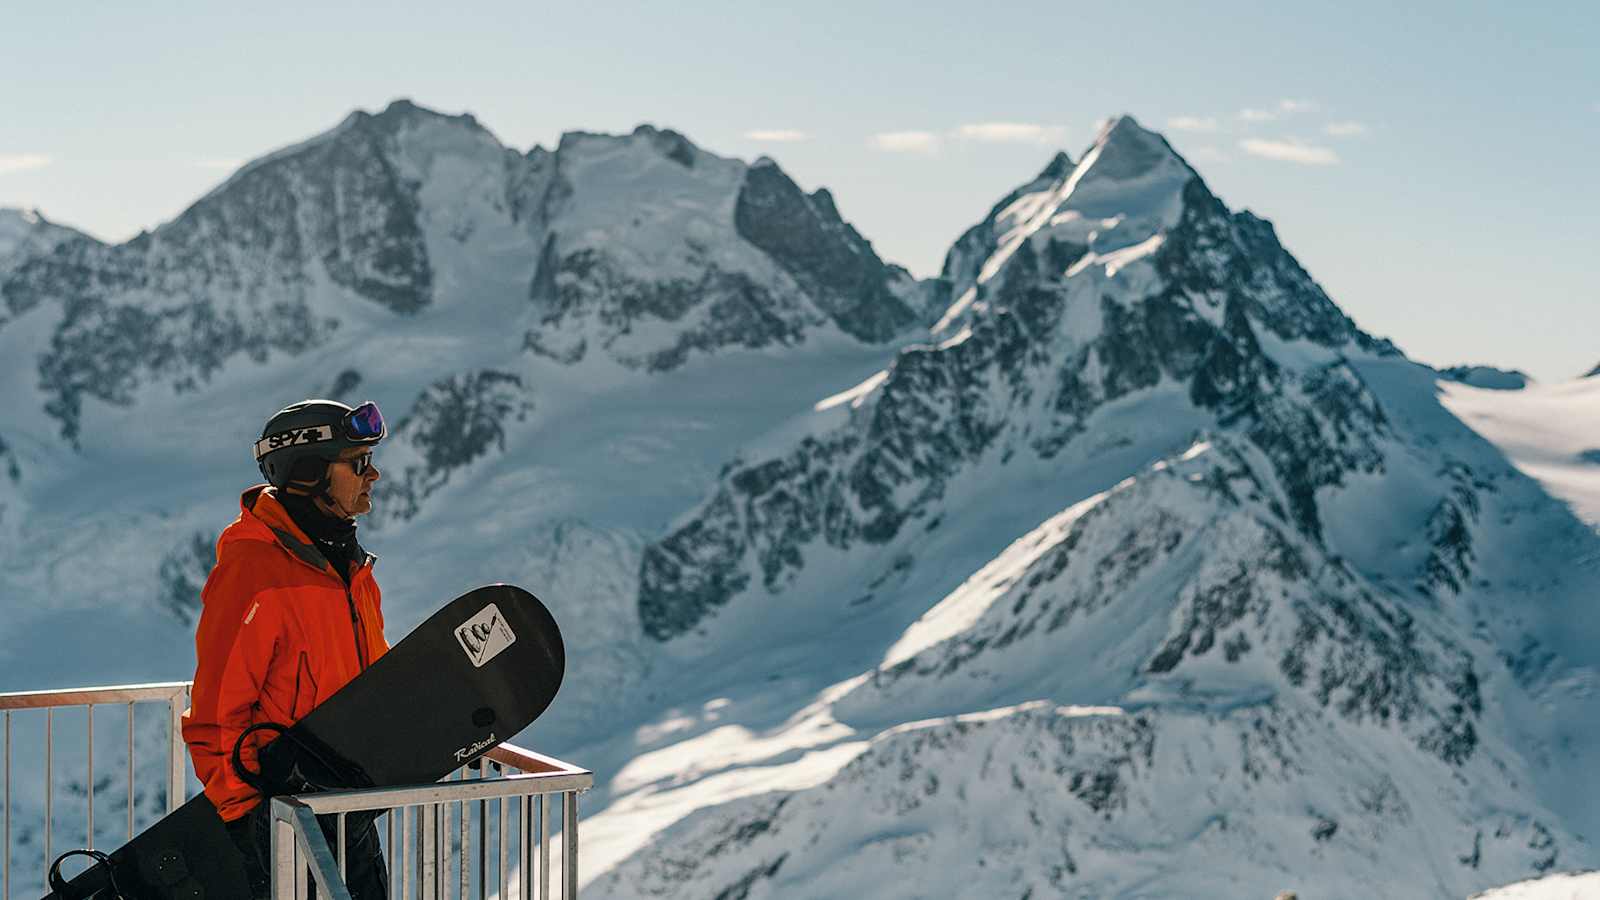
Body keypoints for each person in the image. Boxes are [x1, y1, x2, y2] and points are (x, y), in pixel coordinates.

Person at [180, 399, 391, 899]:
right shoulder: (254, 572)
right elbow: (216, 711)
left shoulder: (352, 569)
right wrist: (246, 818)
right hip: (284, 821)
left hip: (349, 809)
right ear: (308, 474)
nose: (375, 474)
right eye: (357, 462)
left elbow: (374, 679)